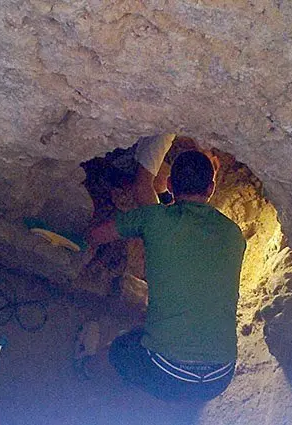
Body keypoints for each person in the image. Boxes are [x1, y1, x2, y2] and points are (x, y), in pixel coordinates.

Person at [87, 134, 246, 401]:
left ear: (170, 185)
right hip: (220, 377)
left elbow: (96, 235)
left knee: (120, 349)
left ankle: (89, 369)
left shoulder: (155, 219)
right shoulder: (233, 234)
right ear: (210, 188)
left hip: (168, 372)